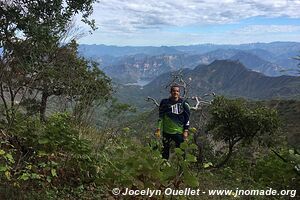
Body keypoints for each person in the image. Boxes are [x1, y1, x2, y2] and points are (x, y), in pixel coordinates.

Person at [155, 85, 190, 160]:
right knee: (165, 152)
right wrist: (158, 129)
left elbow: (187, 118)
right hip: (166, 132)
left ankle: (181, 169)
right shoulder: (164, 102)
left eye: (177, 91)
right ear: (170, 92)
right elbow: (160, 117)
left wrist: (186, 131)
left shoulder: (184, 103)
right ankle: (163, 168)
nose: (175, 92)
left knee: (181, 152)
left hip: (179, 132)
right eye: (174, 91)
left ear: (179, 93)